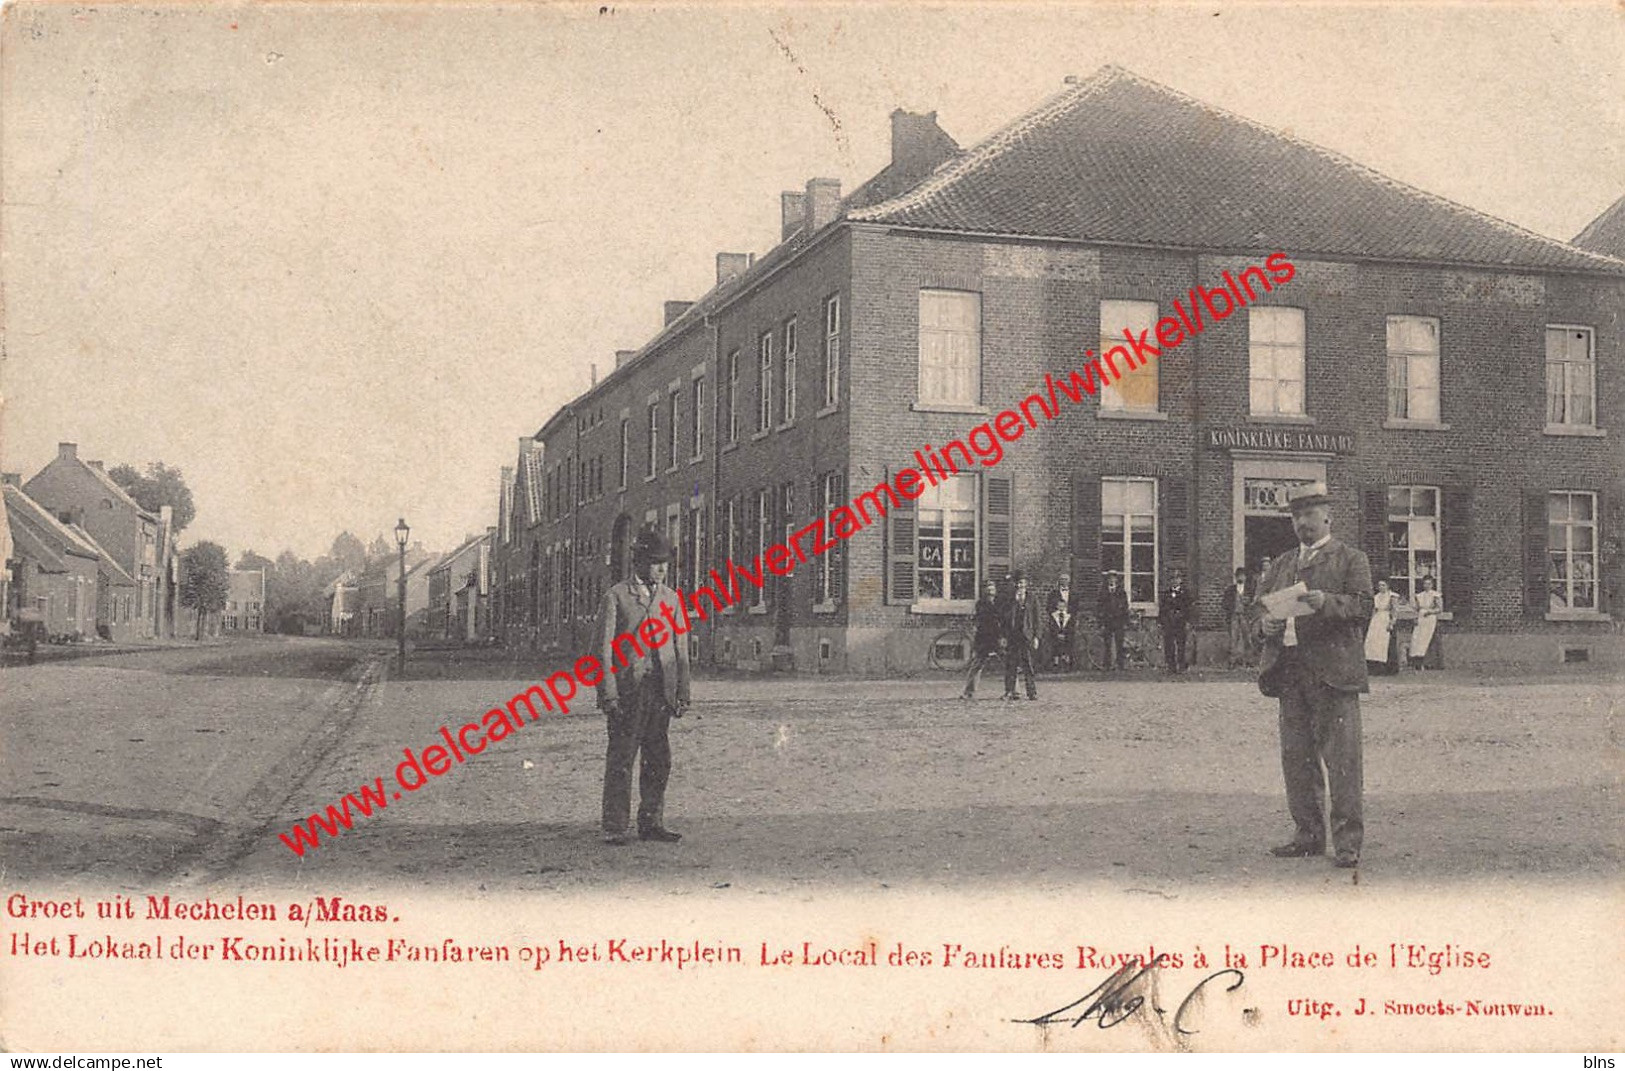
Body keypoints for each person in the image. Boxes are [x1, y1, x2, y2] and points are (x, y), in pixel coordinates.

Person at [1255, 482, 1373, 869]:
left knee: (1342, 761)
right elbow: (1258, 611)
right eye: (1296, 516)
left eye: (1309, 514)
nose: (1302, 523)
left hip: (1333, 674)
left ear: (1327, 516)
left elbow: (1363, 606)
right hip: (1289, 672)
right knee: (1297, 760)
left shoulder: (1350, 559)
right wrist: (1266, 628)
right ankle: (1307, 835)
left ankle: (1347, 843)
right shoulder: (1282, 564)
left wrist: (1326, 603)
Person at [595, 527, 691, 845]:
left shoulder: (671, 598)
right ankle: (615, 826)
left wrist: (682, 691)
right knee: (622, 758)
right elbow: (603, 651)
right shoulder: (617, 597)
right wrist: (607, 692)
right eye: (655, 562)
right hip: (627, 692)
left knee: (658, 758)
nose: (662, 569)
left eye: (665, 563)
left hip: (660, 692)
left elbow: (680, 648)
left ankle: (651, 821)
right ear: (638, 562)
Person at [999, 572, 1040, 700]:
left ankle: (1032, 692)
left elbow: (1037, 619)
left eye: (1022, 582)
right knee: (1011, 665)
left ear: (1026, 584)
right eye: (1017, 583)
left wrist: (1036, 637)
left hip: (1026, 636)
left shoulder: (1032, 598)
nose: (1019, 585)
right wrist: (1003, 637)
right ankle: (1009, 691)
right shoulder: (1009, 598)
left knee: (1028, 665)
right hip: (1012, 636)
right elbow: (1003, 619)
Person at [961, 578, 1004, 699]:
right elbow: (977, 619)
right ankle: (969, 691)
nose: (990, 591)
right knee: (977, 663)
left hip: (997, 636)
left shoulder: (1000, 603)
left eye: (992, 588)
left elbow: (1004, 620)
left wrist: (1003, 636)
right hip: (983, 637)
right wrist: (974, 625)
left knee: (1008, 663)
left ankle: (1013, 690)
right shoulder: (980, 604)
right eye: (987, 589)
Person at [1044, 572, 1081, 670]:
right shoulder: (1053, 594)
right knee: (1056, 642)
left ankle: (1068, 663)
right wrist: (1056, 615)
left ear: (1069, 581)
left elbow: (1076, 609)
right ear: (1059, 581)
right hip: (1056, 620)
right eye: (1062, 579)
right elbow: (1049, 608)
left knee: (1069, 642)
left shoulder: (1074, 594)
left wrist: (1073, 619)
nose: (1064, 581)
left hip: (1069, 621)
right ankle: (1056, 664)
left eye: (1066, 579)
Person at [1159, 568, 1193, 672]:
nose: (1175, 581)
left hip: (1180, 622)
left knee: (1181, 644)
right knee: (1169, 645)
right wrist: (1161, 622)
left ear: (1180, 580)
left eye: (1177, 578)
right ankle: (1171, 665)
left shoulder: (1185, 593)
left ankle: (1181, 665)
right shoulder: (1165, 594)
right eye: (1172, 578)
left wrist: (1188, 621)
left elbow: (1188, 608)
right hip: (1168, 622)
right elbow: (1162, 609)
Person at [1221, 566, 1255, 668]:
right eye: (1238, 576)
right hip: (1234, 616)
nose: (1241, 578)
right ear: (1236, 577)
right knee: (1233, 639)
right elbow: (1224, 603)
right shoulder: (1230, 590)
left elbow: (1255, 603)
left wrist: (1249, 603)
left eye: (1242, 576)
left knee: (1247, 639)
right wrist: (1230, 608)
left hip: (1245, 616)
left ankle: (1249, 660)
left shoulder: (1250, 590)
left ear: (1245, 577)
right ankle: (1232, 661)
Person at [1365, 579, 1400, 675]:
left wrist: (1392, 622)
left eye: (1383, 585)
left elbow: (1395, 610)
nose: (1381, 587)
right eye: (1379, 585)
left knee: (1386, 644)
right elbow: (1374, 610)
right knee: (1374, 643)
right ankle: (1375, 667)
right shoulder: (1376, 597)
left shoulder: (1392, 596)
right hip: (1377, 620)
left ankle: (1388, 669)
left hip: (1386, 619)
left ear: (1388, 586)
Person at [1408, 575, 1443, 670]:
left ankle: (1431, 663)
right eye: (1425, 583)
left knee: (1428, 639)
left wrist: (1430, 612)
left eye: (1429, 584)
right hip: (1421, 618)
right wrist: (1415, 616)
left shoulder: (1436, 595)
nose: (1427, 585)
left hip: (1430, 618)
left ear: (1432, 584)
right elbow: (1416, 608)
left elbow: (1439, 609)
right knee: (1418, 639)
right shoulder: (1419, 595)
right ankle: (1417, 662)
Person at [1097, 572, 1130, 670]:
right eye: (1110, 578)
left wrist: (1125, 621)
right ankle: (1107, 664)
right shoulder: (1103, 592)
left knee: (1119, 643)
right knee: (1107, 643)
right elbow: (1099, 607)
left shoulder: (1121, 592)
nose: (1112, 580)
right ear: (1107, 580)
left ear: (1116, 580)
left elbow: (1125, 607)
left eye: (1114, 578)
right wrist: (1100, 621)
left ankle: (1120, 664)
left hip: (1118, 620)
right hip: (1107, 621)